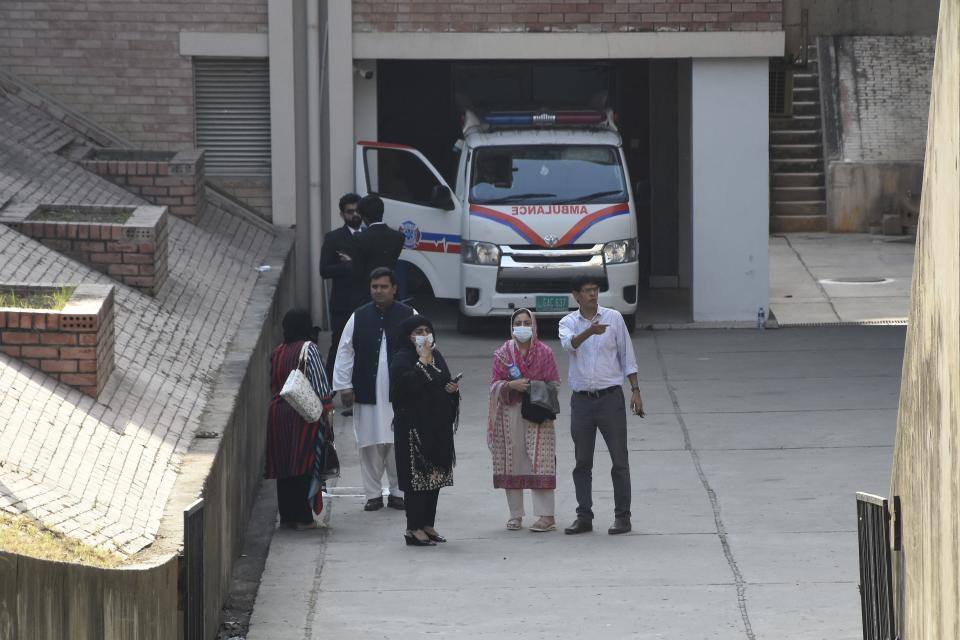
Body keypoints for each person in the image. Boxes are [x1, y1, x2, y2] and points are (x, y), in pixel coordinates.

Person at [558, 275, 644, 536]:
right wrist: (588, 332)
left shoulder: (614, 318)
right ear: (576, 296)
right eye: (587, 291)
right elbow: (568, 345)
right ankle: (584, 516)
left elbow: (627, 355)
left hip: (611, 399)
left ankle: (622, 517)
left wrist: (635, 390)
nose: (593, 295)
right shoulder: (568, 322)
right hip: (582, 401)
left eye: (595, 290)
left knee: (619, 459)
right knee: (582, 462)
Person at [332, 267, 414, 511]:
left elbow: (425, 347)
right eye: (374, 287)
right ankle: (373, 495)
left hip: (400, 394)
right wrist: (344, 386)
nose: (379, 291)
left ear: (394, 288)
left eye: (384, 286)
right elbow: (345, 352)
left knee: (398, 443)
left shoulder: (410, 315)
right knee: (368, 444)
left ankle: (399, 492)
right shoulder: (358, 316)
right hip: (367, 391)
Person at [487, 308, 560, 532]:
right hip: (509, 413)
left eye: (527, 322)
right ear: (512, 326)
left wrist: (529, 385)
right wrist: (510, 385)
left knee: (540, 460)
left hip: (538, 414)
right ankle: (515, 515)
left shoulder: (545, 352)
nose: (522, 326)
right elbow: (494, 384)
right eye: (518, 322)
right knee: (513, 459)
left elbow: (554, 384)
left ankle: (546, 516)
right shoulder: (503, 353)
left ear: (534, 325)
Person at [390, 314, 460, 546]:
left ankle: (428, 524)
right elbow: (402, 390)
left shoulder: (437, 355)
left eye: (426, 330)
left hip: (436, 427)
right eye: (418, 331)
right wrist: (422, 362)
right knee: (416, 481)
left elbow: (443, 382)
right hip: (413, 429)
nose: (423, 335)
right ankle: (413, 528)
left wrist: (451, 390)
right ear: (408, 336)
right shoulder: (402, 358)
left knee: (435, 477)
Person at [266, 308, 333, 530]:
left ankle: (287, 517)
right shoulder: (309, 349)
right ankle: (304, 518)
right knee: (303, 464)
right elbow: (321, 386)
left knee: (284, 467)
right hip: (302, 415)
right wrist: (327, 414)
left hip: (277, 414)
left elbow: (273, 384)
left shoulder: (278, 351)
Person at [319, 193, 365, 385]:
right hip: (342, 303)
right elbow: (324, 270)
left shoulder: (369, 236)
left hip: (365, 301)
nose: (354, 215)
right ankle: (327, 388)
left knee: (364, 347)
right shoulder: (333, 238)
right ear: (342, 214)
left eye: (357, 211)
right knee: (339, 345)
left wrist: (354, 263)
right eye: (349, 212)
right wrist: (348, 266)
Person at [356, 194, 405, 286]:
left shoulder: (359, 238)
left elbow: (357, 268)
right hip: (389, 288)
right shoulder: (399, 237)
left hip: (368, 289)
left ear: (364, 217)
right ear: (382, 211)